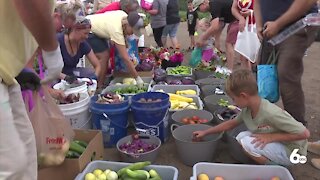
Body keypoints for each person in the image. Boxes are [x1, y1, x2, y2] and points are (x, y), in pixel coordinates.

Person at [0, 0, 63, 179]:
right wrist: (51, 50)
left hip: (7, 75)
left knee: (27, 151)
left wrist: (17, 70)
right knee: (9, 165)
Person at [193, 69, 310, 166]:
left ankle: (275, 169)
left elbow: (304, 134)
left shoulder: (270, 112)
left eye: (234, 99)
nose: (233, 103)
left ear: (243, 96)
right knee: (241, 136)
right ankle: (270, 162)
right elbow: (231, 123)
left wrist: (271, 137)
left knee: (247, 142)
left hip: (293, 153)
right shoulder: (248, 109)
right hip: (281, 144)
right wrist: (206, 132)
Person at [254, 0, 319, 125]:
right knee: (264, 73)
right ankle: (265, 120)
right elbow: (257, 2)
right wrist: (258, 24)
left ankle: (296, 128)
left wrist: (278, 24)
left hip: (298, 26)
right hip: (269, 28)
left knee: (286, 72)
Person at [86, 10, 145, 87]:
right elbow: (125, 58)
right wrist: (137, 78)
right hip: (89, 29)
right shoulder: (117, 30)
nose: (133, 33)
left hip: (98, 29)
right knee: (104, 56)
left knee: (106, 55)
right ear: (128, 25)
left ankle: (101, 81)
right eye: (133, 30)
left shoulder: (124, 16)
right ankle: (98, 86)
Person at [192, 0, 239, 71]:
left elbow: (214, 26)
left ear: (204, 3)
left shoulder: (213, 5)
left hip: (237, 20)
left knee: (228, 44)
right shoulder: (215, 5)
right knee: (229, 44)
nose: (199, 11)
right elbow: (219, 24)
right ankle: (230, 68)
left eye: (199, 8)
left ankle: (229, 71)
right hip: (234, 20)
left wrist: (202, 38)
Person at [58, 16, 101, 83]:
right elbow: (49, 69)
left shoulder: (82, 44)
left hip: (72, 73)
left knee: (90, 73)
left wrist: (94, 78)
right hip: (56, 75)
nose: (87, 37)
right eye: (85, 33)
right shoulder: (58, 41)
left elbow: (97, 65)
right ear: (75, 29)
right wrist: (66, 78)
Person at [231, 0, 255, 69]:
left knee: (255, 54)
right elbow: (234, 8)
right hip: (245, 26)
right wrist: (240, 18)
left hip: (256, 25)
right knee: (244, 54)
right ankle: (246, 77)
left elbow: (264, 8)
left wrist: (251, 12)